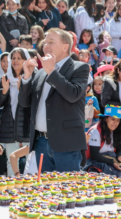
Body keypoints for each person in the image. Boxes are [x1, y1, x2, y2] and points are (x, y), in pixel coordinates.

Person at [19, 28, 89, 172]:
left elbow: (73, 94)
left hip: (66, 143)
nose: (46, 46)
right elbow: (25, 103)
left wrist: (52, 71)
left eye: (51, 42)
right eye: (45, 42)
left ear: (65, 47)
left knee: (68, 190)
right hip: (41, 142)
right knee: (47, 192)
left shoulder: (79, 67)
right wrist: (26, 77)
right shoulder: (40, 73)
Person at [0, 48, 32, 176]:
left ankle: (30, 191)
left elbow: (31, 104)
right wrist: (3, 91)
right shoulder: (6, 78)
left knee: (30, 162)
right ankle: (11, 192)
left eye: (19, 58)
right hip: (10, 127)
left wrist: (23, 89)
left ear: (25, 60)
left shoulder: (32, 77)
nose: (15, 61)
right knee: (11, 161)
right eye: (13, 58)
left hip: (26, 126)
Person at [85, 105, 121, 177]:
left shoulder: (117, 131)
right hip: (97, 161)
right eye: (113, 119)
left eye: (117, 120)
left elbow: (119, 149)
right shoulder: (95, 131)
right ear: (106, 119)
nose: (115, 123)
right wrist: (112, 162)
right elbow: (95, 156)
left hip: (112, 160)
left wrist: (119, 157)